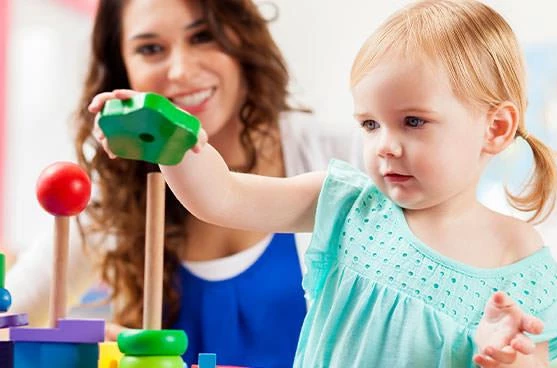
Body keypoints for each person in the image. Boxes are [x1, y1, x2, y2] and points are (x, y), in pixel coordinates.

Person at [92, 0, 557, 366]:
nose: (383, 144)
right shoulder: (345, 201)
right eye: (369, 124)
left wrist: (505, 359)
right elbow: (221, 195)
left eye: (412, 122)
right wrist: (170, 143)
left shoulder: (518, 256)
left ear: (494, 128)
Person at [6, 0, 361, 366]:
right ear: (122, 70)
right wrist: (90, 346)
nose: (180, 71)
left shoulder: (351, 160)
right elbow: (11, 313)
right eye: (150, 49)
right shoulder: (112, 197)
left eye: (203, 36)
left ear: (243, 39)